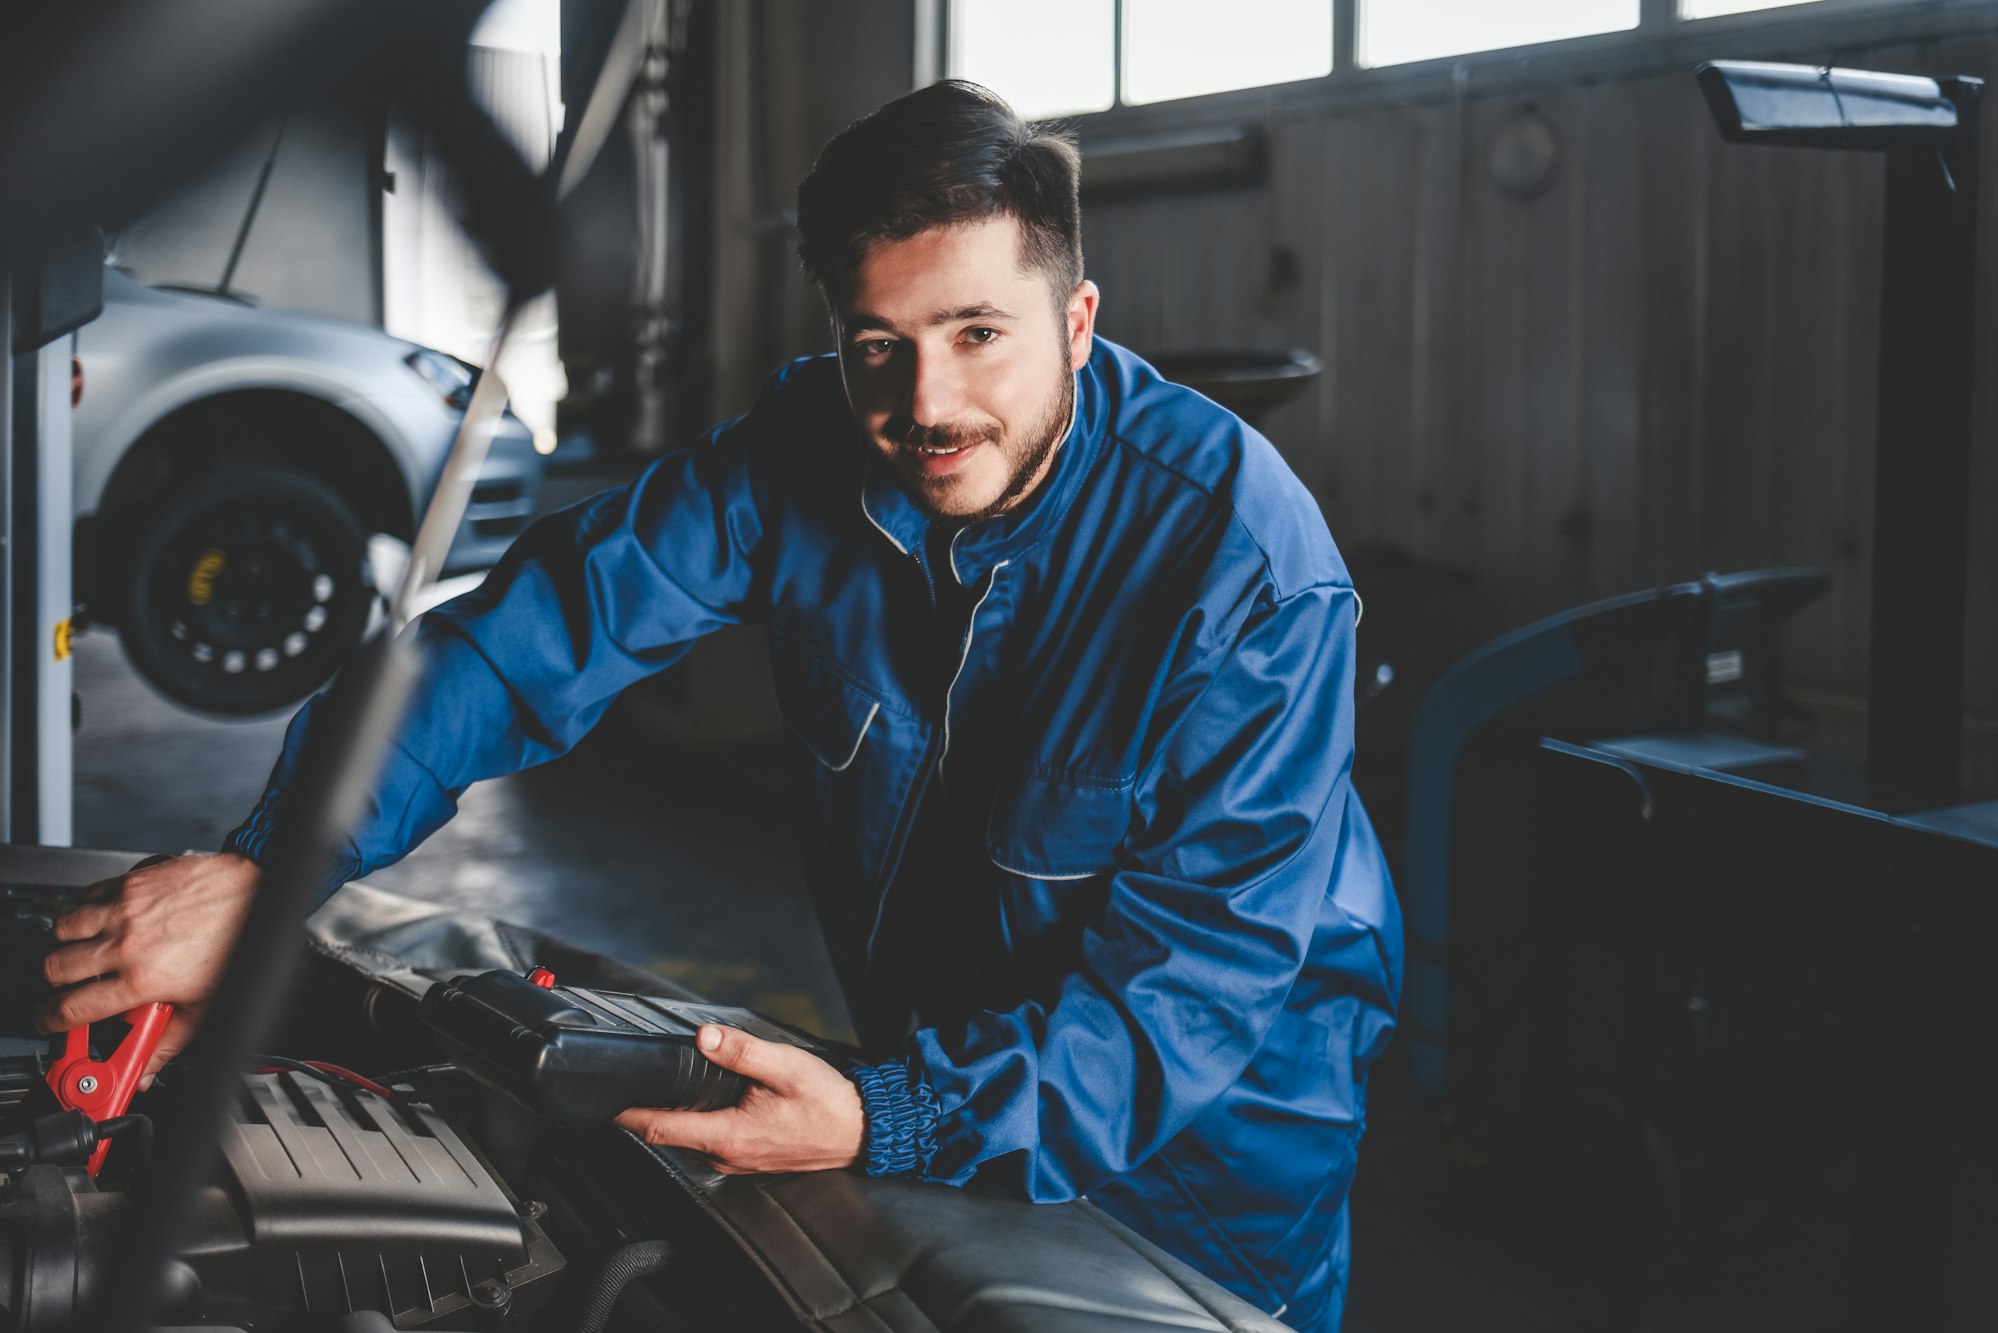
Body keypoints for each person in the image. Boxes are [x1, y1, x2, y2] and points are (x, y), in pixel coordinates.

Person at [39, 80, 1401, 1330]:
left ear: (1077, 318)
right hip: (932, 1079)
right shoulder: (807, 451)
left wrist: (891, 1111)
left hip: (1206, 1160)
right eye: (881, 344)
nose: (929, 403)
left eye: (979, 334)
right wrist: (266, 870)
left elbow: (1189, 1007)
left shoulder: (1242, 568)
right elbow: (518, 647)